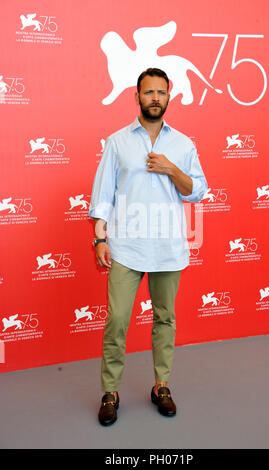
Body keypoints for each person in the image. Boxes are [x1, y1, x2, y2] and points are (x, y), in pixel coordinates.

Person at [89, 68, 208, 426]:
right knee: (118, 321)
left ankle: (161, 386)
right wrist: (99, 236)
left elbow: (198, 190)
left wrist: (172, 168)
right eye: (148, 92)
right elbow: (102, 194)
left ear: (169, 96)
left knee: (165, 319)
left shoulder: (183, 144)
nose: (155, 98)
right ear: (137, 96)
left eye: (161, 92)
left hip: (168, 247)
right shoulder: (117, 141)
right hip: (126, 246)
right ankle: (110, 392)